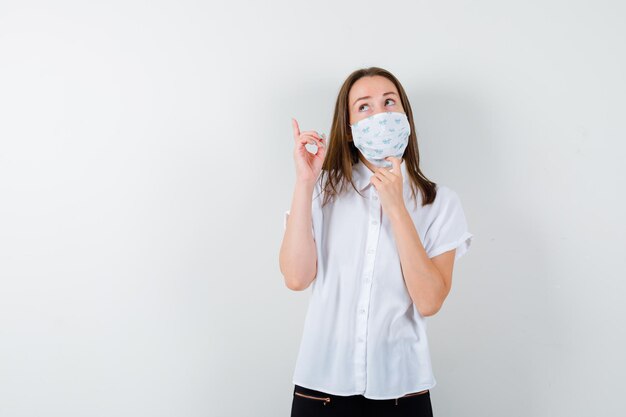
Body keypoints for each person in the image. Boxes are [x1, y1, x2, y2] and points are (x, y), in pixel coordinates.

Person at [279, 67, 474, 417]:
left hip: (403, 394)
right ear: (350, 130)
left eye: (389, 102)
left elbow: (429, 300)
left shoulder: (439, 203)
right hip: (320, 393)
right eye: (364, 107)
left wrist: (397, 207)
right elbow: (296, 278)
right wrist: (305, 183)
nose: (380, 114)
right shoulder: (322, 192)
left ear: (405, 117)